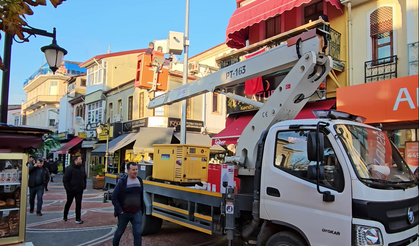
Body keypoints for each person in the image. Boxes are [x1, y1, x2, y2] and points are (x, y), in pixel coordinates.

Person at [112, 162, 145, 246]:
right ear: (128, 171)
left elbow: (141, 196)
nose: (135, 171)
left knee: (137, 233)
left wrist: (141, 210)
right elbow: (114, 197)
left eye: (136, 169)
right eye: (133, 170)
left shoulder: (139, 180)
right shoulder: (122, 182)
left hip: (136, 213)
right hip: (124, 213)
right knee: (119, 232)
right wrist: (120, 211)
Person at [63, 156, 87, 224]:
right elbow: (65, 180)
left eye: (81, 159)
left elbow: (84, 177)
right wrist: (68, 189)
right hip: (71, 189)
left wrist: (84, 185)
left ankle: (78, 218)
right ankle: (65, 215)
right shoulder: (69, 169)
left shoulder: (81, 168)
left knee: (78, 203)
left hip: (79, 189)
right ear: (75, 161)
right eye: (80, 159)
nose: (81, 160)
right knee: (69, 202)